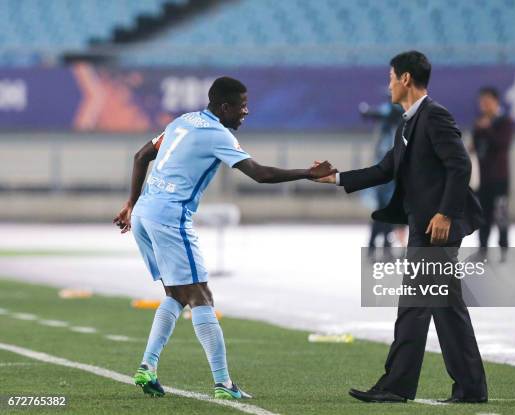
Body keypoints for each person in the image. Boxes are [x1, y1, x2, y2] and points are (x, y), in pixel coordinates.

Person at [113, 76, 336, 400]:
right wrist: (307, 173)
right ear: (224, 107)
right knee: (202, 296)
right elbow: (260, 174)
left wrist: (132, 204)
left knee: (176, 294)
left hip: (146, 212)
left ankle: (148, 366)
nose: (246, 112)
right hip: (169, 217)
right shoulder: (217, 134)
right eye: (242, 107)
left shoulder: (182, 121)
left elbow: (140, 156)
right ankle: (224, 384)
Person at [314, 51, 487, 404]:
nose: (389, 82)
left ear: (406, 79)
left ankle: (397, 386)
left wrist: (445, 214)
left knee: (419, 305)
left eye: (392, 76)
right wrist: (335, 178)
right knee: (442, 308)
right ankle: (467, 388)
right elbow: (383, 170)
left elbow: (460, 166)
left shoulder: (435, 116)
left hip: (437, 228)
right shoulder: (407, 122)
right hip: (423, 226)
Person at [472, 87, 513, 260]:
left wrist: (488, 128)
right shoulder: (479, 122)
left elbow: (502, 143)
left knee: (501, 214)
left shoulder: (505, 121)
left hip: (500, 177)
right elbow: (476, 145)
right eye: (482, 102)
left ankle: (503, 249)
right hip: (483, 177)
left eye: (487, 101)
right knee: (483, 215)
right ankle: (483, 250)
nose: (484, 105)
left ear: (496, 102)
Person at [359, 99, 404, 255]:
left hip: (392, 170)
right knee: (383, 207)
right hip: (385, 171)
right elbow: (379, 113)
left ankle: (381, 243)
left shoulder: (398, 120)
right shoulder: (389, 124)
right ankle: (378, 244)